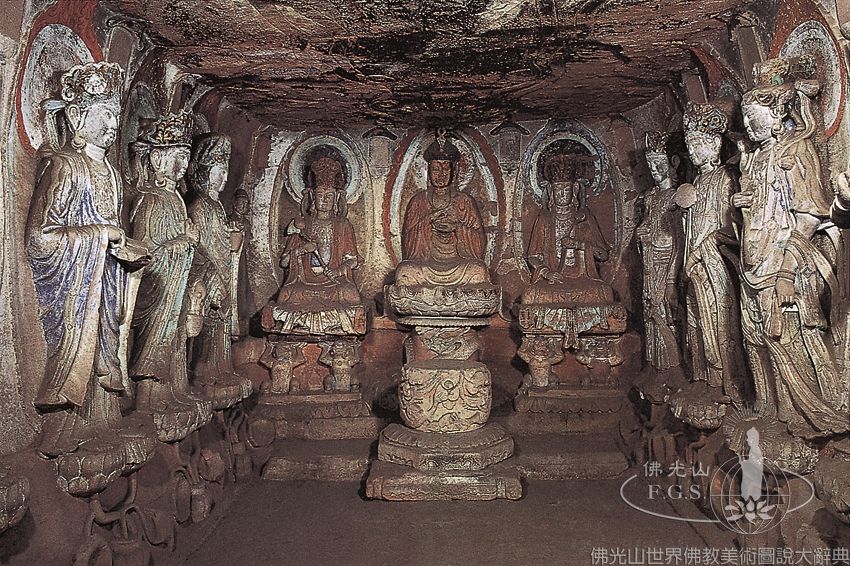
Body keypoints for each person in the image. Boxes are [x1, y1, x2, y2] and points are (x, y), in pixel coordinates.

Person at [26, 62, 149, 456]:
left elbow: (114, 228)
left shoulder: (111, 172)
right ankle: (64, 428)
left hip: (106, 278)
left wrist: (125, 248)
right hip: (76, 286)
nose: (113, 124)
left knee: (106, 350)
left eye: (116, 114)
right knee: (82, 348)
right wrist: (99, 235)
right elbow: (40, 238)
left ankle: (102, 421)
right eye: (105, 114)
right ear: (78, 116)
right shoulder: (64, 166)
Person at [395, 132, 490, 287]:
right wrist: (429, 221)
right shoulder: (419, 201)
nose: (441, 174)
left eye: (445, 169)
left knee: (478, 270)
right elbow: (408, 242)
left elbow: (479, 241)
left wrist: (457, 227)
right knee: (404, 272)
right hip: (425, 265)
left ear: (454, 171)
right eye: (436, 169)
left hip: (458, 264)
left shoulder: (464, 201)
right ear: (428, 171)